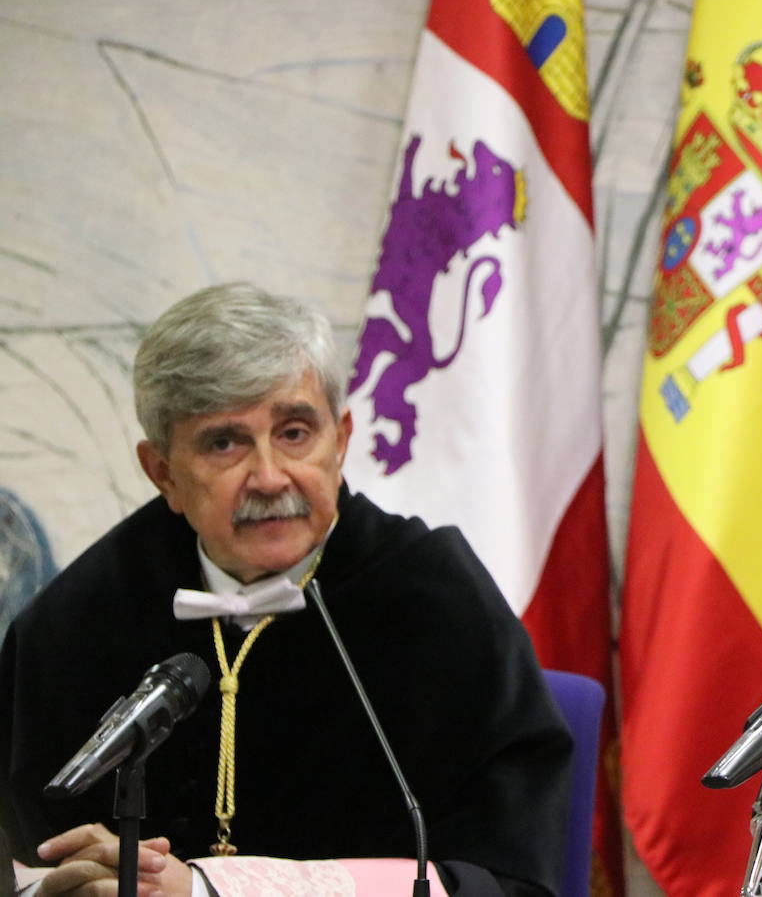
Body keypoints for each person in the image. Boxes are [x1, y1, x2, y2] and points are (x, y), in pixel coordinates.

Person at [0, 284, 572, 896]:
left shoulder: (437, 604)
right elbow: (30, 858)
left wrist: (210, 891)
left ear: (341, 439)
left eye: (295, 433)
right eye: (225, 443)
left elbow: (504, 881)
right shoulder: (79, 621)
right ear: (163, 471)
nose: (270, 478)